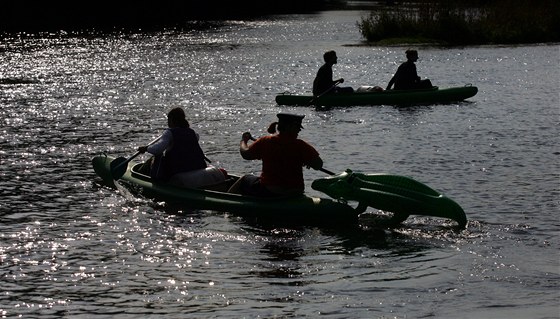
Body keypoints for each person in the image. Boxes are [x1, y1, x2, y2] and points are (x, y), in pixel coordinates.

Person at [228, 113, 324, 197]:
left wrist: (243, 140)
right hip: (296, 191)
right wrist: (308, 161)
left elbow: (245, 154)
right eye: (297, 127)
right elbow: (318, 165)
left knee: (244, 179)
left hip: (271, 191)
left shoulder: (265, 141)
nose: (299, 130)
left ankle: (228, 206)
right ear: (288, 127)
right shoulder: (301, 145)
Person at [137, 107, 208, 182]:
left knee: (155, 158)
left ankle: (138, 176)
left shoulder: (169, 133)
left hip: (177, 170)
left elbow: (158, 149)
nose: (167, 123)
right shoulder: (193, 133)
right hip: (195, 167)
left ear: (172, 120)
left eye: (168, 120)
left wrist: (146, 148)